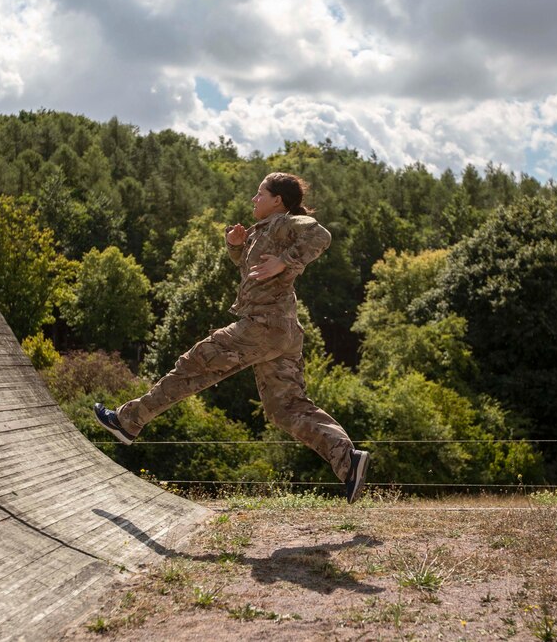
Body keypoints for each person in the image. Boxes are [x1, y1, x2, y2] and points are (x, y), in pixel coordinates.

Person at [94, 172, 370, 503]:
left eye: (259, 194)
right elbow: (250, 269)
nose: (254, 200)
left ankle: (128, 421)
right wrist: (236, 246)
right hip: (282, 332)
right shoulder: (265, 231)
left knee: (193, 366)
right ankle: (348, 460)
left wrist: (284, 262)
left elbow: (321, 235)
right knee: (285, 408)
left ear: (277, 201)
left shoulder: (286, 224)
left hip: (262, 327)